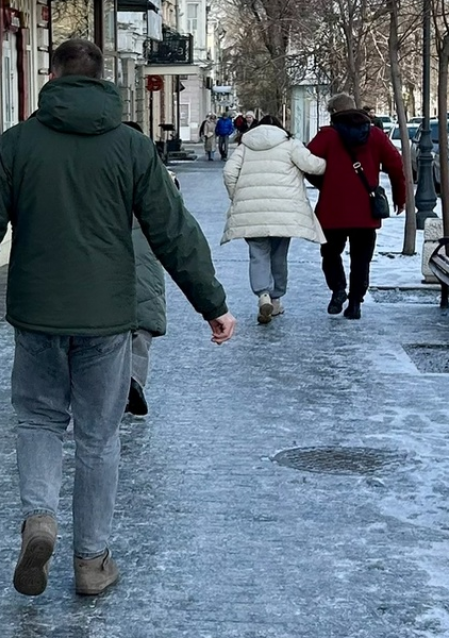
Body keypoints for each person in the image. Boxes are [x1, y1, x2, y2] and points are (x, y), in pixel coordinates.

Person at [0, 39, 236, 598]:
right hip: (109, 318)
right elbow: (172, 230)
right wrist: (213, 304)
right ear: (101, 81)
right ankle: (91, 561)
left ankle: (40, 519)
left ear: (51, 77)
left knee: (37, 420)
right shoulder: (131, 148)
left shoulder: (15, 145)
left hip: (36, 312)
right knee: (99, 437)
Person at [307, 93, 405, 320]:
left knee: (330, 254)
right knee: (361, 259)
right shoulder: (376, 135)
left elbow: (306, 162)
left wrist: (324, 184)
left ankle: (338, 289)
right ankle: (355, 303)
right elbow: (396, 165)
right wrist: (400, 198)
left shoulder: (327, 137)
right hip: (365, 212)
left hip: (332, 211)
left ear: (333, 113)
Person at [222, 115, 327, 323]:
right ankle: (276, 299)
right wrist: (330, 160)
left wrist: (237, 196)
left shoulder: (245, 145)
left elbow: (228, 172)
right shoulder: (290, 144)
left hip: (251, 209)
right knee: (279, 255)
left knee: (258, 254)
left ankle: (263, 296)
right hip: (283, 211)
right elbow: (314, 166)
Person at [122, 121, 168, 417]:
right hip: (145, 261)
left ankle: (112, 382)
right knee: (141, 325)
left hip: (103, 261)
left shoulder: (96, 171)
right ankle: (133, 379)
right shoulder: (158, 178)